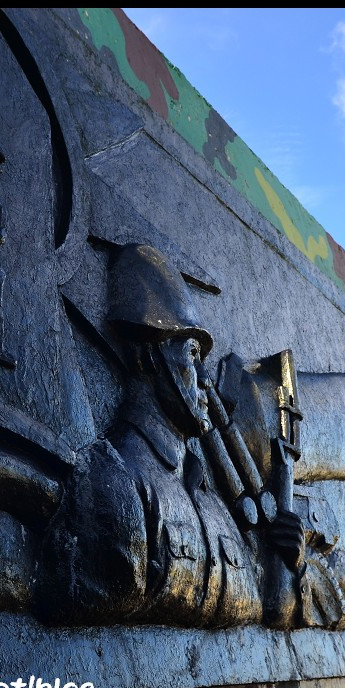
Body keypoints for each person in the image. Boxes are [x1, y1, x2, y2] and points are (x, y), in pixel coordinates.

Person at [38, 244, 262, 627]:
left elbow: (252, 606)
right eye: (192, 356)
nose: (207, 383)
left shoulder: (213, 503)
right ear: (147, 357)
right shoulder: (113, 481)